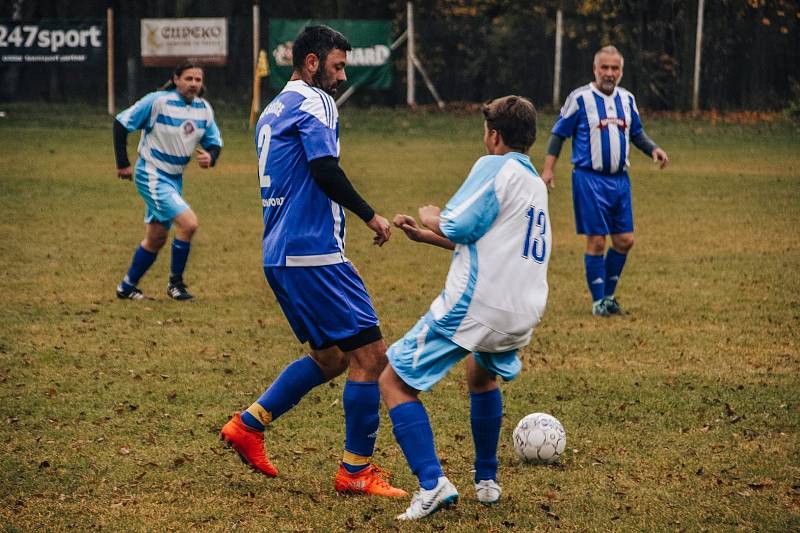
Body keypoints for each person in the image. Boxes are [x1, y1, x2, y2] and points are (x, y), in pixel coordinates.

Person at [220, 25, 406, 499]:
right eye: (337, 66)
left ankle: (248, 426)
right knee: (371, 356)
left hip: (280, 255)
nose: (341, 77)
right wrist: (370, 216)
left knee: (331, 357)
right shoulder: (314, 101)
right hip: (313, 254)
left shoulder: (271, 110)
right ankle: (356, 471)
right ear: (311, 63)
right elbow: (324, 169)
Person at [379, 95, 551, 520]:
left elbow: (456, 222)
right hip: (522, 313)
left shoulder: (494, 165)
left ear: (494, 135)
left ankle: (431, 482)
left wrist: (433, 216)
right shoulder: (533, 182)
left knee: (393, 381)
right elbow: (483, 239)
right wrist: (426, 236)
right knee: (480, 374)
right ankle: (487, 481)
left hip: (478, 306)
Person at [541, 45, 668, 317]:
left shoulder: (627, 99)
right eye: (605, 68)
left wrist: (653, 149)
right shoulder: (580, 98)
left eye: (615, 68)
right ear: (595, 69)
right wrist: (548, 170)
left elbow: (637, 133)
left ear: (621, 71)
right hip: (589, 179)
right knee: (597, 241)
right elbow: (558, 134)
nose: (609, 73)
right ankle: (598, 301)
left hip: (620, 181)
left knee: (624, 240)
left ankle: (609, 297)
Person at [113, 60, 223, 301]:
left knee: (156, 239)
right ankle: (176, 284)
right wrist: (122, 163)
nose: (194, 84)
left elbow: (214, 142)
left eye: (198, 79)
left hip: (175, 179)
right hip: (151, 173)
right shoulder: (157, 101)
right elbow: (121, 123)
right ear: (176, 79)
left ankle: (127, 287)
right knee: (189, 223)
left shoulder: (203, 109)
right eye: (189, 78)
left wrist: (210, 157)